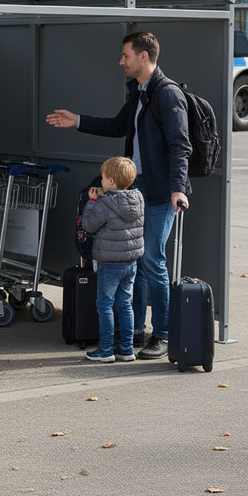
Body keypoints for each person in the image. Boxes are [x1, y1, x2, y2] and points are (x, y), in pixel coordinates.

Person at [45, 32, 191, 360]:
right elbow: (117, 126)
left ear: (143, 57)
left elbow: (180, 145)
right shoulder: (139, 92)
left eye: (126, 55)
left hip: (160, 191)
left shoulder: (167, 94)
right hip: (137, 187)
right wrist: (77, 120)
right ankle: (134, 330)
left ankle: (163, 334)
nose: (121, 61)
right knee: (135, 259)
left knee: (151, 259)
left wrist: (177, 188)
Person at [80, 156, 144, 363]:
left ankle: (106, 349)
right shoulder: (138, 198)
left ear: (111, 182)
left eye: (103, 178)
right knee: (125, 304)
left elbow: (88, 225)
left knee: (105, 305)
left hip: (109, 263)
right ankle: (126, 349)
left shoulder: (104, 202)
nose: (101, 181)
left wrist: (91, 202)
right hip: (131, 262)